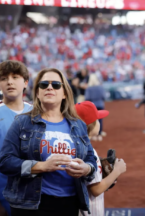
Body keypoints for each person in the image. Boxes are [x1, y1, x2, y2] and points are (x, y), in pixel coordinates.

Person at [0, 68, 97, 216]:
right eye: (44, 84)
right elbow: (5, 161)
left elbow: (91, 159)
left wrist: (87, 169)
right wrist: (42, 166)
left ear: (64, 93)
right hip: (30, 205)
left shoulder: (78, 125)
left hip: (69, 203)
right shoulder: (22, 122)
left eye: (56, 85)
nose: (50, 87)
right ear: (38, 92)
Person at [75, 101, 127, 216]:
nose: (99, 122)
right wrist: (117, 171)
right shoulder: (88, 151)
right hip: (90, 211)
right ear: (90, 125)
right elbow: (96, 189)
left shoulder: (75, 146)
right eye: (97, 120)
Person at [0, 61, 33, 216]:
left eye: (15, 77)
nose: (10, 82)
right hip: (3, 191)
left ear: (25, 82)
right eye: (4, 78)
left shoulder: (36, 113)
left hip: (33, 190)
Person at [85, 74, 107, 141]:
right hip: (100, 105)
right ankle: (99, 134)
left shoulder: (89, 88)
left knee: (92, 121)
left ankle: (93, 135)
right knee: (100, 120)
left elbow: (87, 98)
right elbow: (104, 97)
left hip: (92, 106)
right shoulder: (100, 87)